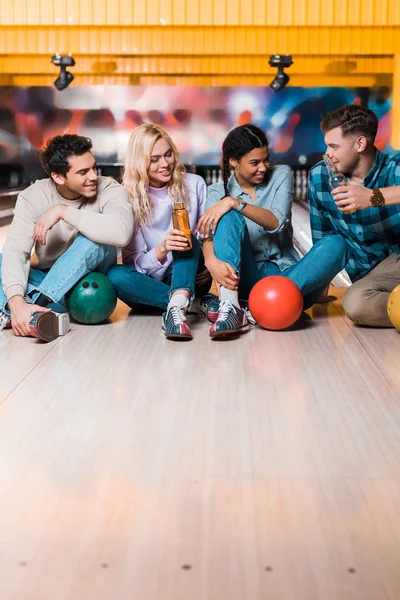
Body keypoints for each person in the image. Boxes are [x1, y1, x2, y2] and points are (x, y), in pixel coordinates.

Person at [197, 124, 348, 337]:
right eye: (254, 162)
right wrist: (211, 261)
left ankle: (255, 308)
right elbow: (206, 235)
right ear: (233, 161)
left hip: (291, 279)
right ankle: (233, 307)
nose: (263, 167)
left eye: (266, 159)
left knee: (337, 244)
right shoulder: (216, 193)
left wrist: (235, 202)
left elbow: (277, 221)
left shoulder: (280, 175)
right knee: (227, 216)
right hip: (246, 279)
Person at [0, 134, 134, 339]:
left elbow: (121, 232)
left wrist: (63, 211)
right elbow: (17, 252)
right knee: (5, 258)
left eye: (93, 167)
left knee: (94, 238)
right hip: (48, 280)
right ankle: (21, 311)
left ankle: (32, 307)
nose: (93, 176)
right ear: (58, 177)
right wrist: (17, 301)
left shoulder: (110, 189)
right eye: (83, 172)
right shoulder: (32, 197)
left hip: (90, 288)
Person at [107, 124, 211, 341]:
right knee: (115, 276)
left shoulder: (195, 184)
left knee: (187, 237)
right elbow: (134, 265)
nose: (165, 164)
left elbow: (206, 238)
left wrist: (210, 265)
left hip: (193, 274)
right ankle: (186, 304)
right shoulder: (128, 199)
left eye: (168, 154)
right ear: (139, 162)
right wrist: (162, 249)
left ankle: (178, 305)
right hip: (150, 285)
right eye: (154, 159)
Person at [309, 104, 400, 327]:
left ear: (360, 143)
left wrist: (372, 197)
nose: (327, 154)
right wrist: (320, 284)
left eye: (334, 146)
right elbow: (324, 239)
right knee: (356, 303)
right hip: (369, 279)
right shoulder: (320, 175)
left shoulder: (394, 167)